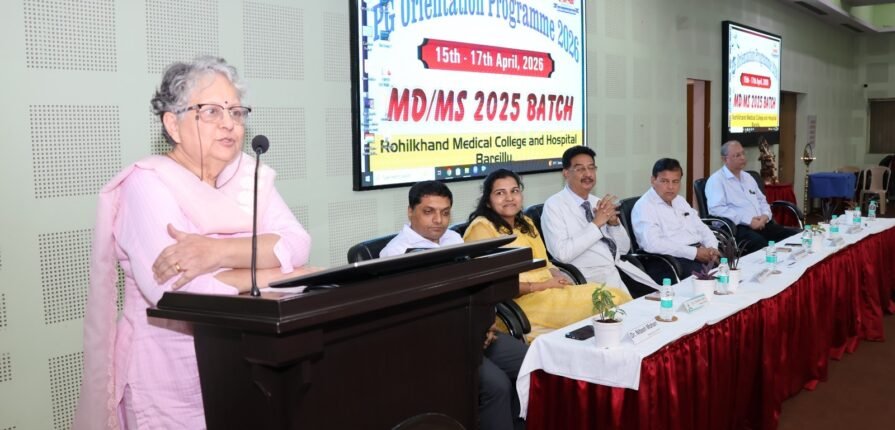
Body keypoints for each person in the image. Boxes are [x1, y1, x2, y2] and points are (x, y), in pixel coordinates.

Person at [74, 56, 312, 430]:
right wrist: (277, 273)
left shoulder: (248, 177)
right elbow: (178, 290)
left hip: (241, 364)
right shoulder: (147, 185)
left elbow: (298, 243)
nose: (229, 123)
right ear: (173, 124)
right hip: (166, 379)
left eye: (236, 112)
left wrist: (215, 252)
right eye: (211, 111)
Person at [382, 180, 528, 430]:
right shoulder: (394, 255)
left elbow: (476, 288)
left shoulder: (453, 239)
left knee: (531, 363)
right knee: (497, 386)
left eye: (445, 212)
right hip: (438, 343)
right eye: (429, 212)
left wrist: (486, 322)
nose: (438, 220)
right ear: (410, 212)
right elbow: (409, 317)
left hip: (476, 331)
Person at [463, 168, 632, 340]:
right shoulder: (481, 228)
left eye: (514, 191)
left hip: (549, 292)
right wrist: (542, 286)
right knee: (611, 300)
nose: (509, 198)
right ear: (488, 201)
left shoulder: (525, 223)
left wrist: (558, 276)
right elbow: (491, 285)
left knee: (611, 296)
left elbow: (545, 262)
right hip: (519, 303)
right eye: (500, 193)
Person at [541, 146, 636, 295]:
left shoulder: (596, 202)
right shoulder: (553, 206)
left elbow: (624, 249)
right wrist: (596, 224)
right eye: (580, 169)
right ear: (566, 173)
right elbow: (562, 254)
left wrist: (613, 224)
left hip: (616, 273)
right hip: (588, 281)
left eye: (591, 168)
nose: (588, 174)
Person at [705, 140, 800, 253]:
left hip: (761, 224)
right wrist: (748, 221)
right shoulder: (716, 180)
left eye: (743, 153)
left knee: (795, 236)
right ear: (725, 159)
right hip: (737, 228)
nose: (742, 158)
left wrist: (765, 216)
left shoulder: (748, 177)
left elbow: (762, 200)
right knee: (762, 245)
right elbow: (717, 209)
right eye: (737, 155)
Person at [631, 158, 719, 280]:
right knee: (712, 279)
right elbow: (653, 244)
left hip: (697, 253)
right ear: (653, 180)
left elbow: (701, 228)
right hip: (670, 261)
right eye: (665, 181)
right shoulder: (644, 206)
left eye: (675, 181)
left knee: (729, 269)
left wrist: (712, 248)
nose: (671, 187)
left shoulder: (680, 200)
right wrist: (694, 253)